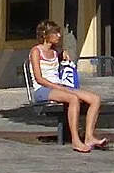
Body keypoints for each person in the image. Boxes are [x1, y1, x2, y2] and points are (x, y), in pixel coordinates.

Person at [29, 19, 106, 152]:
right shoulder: (36, 51)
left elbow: (60, 65)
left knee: (95, 99)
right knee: (73, 98)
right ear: (46, 35)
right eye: (55, 33)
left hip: (60, 86)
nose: (59, 36)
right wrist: (59, 87)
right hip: (43, 89)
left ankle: (89, 136)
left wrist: (62, 56)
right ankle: (75, 140)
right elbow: (39, 78)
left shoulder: (55, 52)